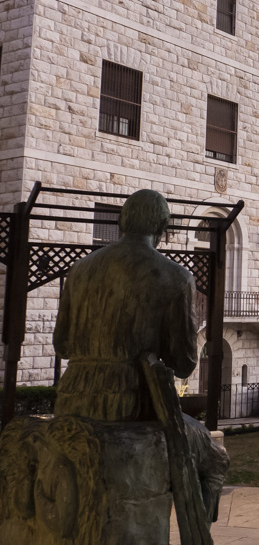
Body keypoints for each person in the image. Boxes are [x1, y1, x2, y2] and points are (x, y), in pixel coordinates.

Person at [53, 189, 228, 525]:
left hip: (72, 398)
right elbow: (185, 364)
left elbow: (62, 344)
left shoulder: (79, 270)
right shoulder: (176, 276)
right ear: (162, 228)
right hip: (135, 404)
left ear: (123, 222)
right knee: (216, 457)